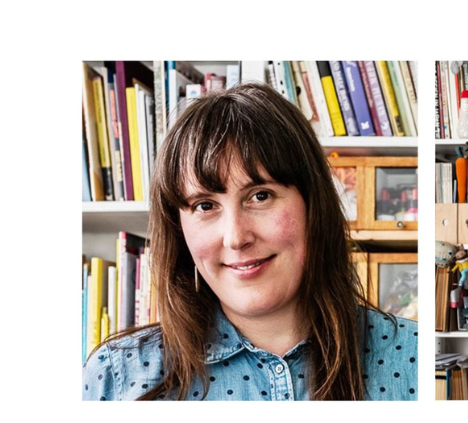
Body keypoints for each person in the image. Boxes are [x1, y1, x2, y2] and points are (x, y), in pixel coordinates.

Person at [82, 82, 417, 401]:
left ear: (314, 205)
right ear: (178, 226)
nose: (236, 237)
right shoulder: (116, 377)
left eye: (260, 196)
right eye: (205, 205)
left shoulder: (414, 358)